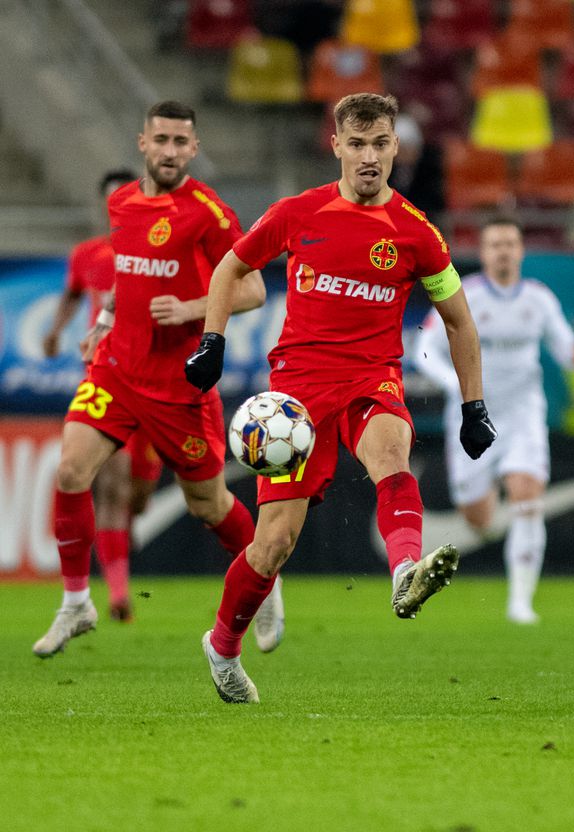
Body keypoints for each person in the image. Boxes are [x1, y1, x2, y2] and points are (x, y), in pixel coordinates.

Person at [185, 92, 495, 704]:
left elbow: (459, 322)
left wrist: (473, 404)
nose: (369, 156)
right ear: (336, 147)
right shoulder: (297, 212)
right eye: (357, 144)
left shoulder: (416, 232)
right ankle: (222, 646)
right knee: (274, 543)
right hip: (297, 392)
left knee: (392, 450)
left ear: (395, 147)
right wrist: (211, 342)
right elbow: (228, 269)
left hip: (371, 376)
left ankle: (405, 569)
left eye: (380, 143)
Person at [33, 101, 275, 657]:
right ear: (143, 142)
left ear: (193, 148)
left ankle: (266, 581)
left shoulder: (209, 213)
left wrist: (192, 308)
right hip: (116, 369)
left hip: (177, 385)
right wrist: (103, 321)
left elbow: (255, 289)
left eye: (180, 142)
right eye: (160, 140)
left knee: (208, 504)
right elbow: (128, 275)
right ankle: (76, 602)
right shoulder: (121, 203)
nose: (169, 151)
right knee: (71, 470)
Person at [413, 217, 574, 624]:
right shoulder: (465, 296)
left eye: (511, 243)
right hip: (475, 412)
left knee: (528, 496)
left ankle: (520, 603)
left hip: (524, 411)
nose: (504, 251)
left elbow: (562, 341)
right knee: (478, 517)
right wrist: (454, 385)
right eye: (496, 244)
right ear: (484, 252)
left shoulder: (538, 299)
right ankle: (491, 519)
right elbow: (426, 346)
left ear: (521, 250)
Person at [43, 168, 157, 622]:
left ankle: (119, 544)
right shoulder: (87, 255)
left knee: (141, 495)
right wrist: (55, 331)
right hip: (107, 377)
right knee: (112, 482)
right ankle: (117, 593)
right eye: (109, 200)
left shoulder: (155, 252)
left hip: (157, 383)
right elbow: (73, 294)